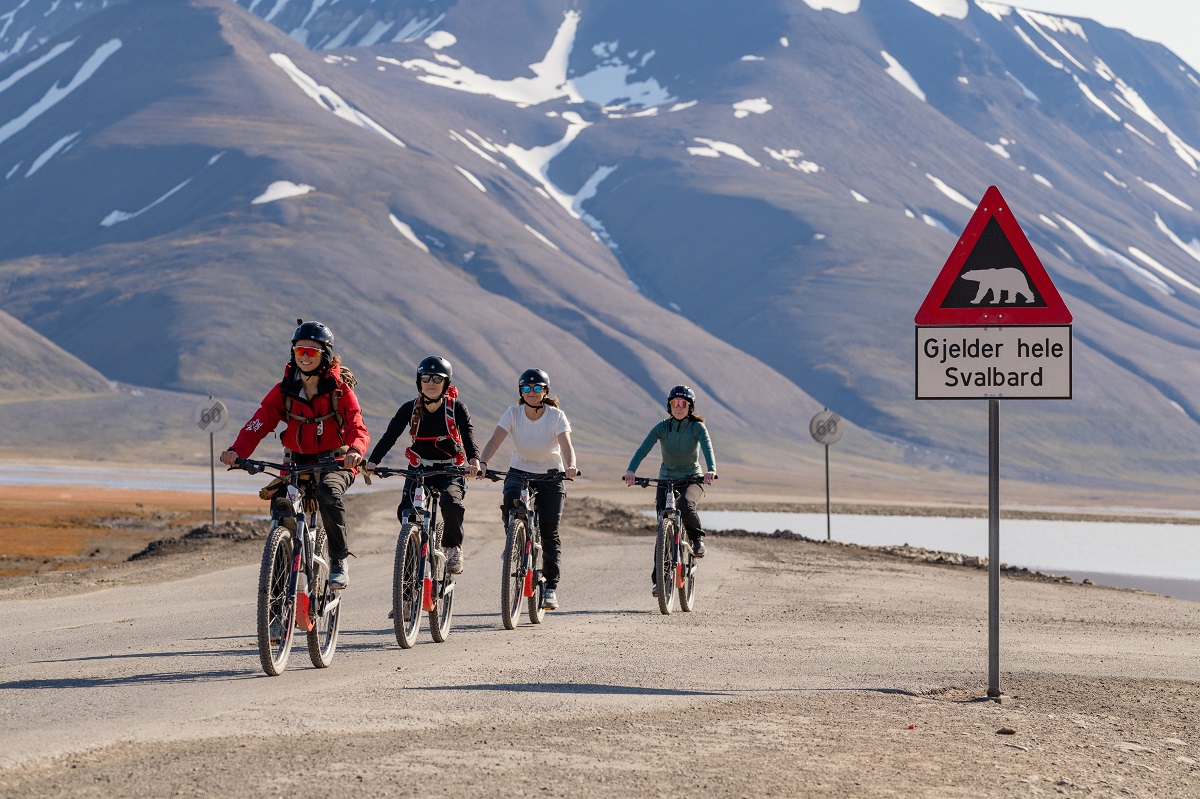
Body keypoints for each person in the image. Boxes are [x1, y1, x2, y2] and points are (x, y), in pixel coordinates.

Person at [220, 320, 368, 589]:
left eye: (312, 352)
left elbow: (357, 425)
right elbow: (259, 422)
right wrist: (236, 451)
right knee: (281, 508)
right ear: (293, 354)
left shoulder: (339, 390)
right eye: (300, 351)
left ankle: (338, 560)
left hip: (335, 460)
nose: (306, 357)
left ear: (325, 354)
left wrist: (356, 451)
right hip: (296, 463)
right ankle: (277, 592)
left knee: (328, 493)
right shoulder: (284, 390)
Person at [367, 356, 480, 575]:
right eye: (425, 377)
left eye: (437, 378)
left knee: (451, 503)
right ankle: (407, 592)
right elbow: (390, 436)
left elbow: (468, 436)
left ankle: (452, 547)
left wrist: (474, 462)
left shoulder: (456, 408)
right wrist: (373, 462)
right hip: (419, 470)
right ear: (419, 381)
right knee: (407, 514)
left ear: (446, 384)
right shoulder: (409, 409)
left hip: (450, 470)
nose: (431, 382)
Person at [476, 368, 578, 611]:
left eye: (536, 388)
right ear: (521, 391)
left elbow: (566, 445)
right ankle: (513, 540)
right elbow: (494, 440)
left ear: (545, 391)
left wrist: (571, 466)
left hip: (551, 475)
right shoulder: (513, 413)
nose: (531, 392)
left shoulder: (556, 416)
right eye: (527, 388)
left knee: (549, 530)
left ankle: (550, 588)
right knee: (510, 502)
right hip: (519, 470)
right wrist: (483, 462)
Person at [624, 385, 716, 593]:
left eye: (683, 403)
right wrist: (631, 470)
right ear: (669, 406)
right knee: (662, 525)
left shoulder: (697, 428)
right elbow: (644, 448)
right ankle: (660, 579)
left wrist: (711, 470)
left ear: (690, 407)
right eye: (675, 403)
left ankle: (696, 539)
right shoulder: (662, 427)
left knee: (684, 504)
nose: (679, 407)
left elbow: (708, 448)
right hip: (666, 479)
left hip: (692, 478)